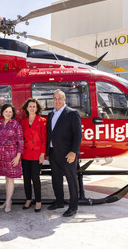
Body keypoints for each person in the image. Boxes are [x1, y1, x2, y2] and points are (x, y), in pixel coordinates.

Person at [46, 89, 82, 217]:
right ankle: (59, 202)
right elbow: (50, 134)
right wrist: (48, 152)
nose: (57, 101)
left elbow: (78, 135)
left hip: (68, 154)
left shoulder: (72, 113)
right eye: (55, 98)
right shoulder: (51, 114)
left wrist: (73, 152)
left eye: (59, 98)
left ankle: (73, 207)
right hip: (54, 153)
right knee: (56, 179)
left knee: (71, 180)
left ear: (64, 99)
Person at [0, 104, 24, 212]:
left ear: (12, 114)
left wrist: (18, 157)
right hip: (1, 154)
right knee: (7, 178)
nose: (8, 113)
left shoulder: (16, 125)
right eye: (6, 111)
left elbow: (21, 142)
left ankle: (8, 203)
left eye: (10, 112)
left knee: (10, 179)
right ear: (2, 112)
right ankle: (7, 200)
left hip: (12, 154)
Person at [20, 98, 47, 212]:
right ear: (27, 108)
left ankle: (38, 201)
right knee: (26, 178)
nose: (32, 108)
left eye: (34, 106)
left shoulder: (42, 121)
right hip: (25, 154)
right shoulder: (23, 122)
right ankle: (28, 199)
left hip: (37, 154)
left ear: (37, 108)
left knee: (35, 178)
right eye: (30, 106)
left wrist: (42, 154)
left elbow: (44, 139)